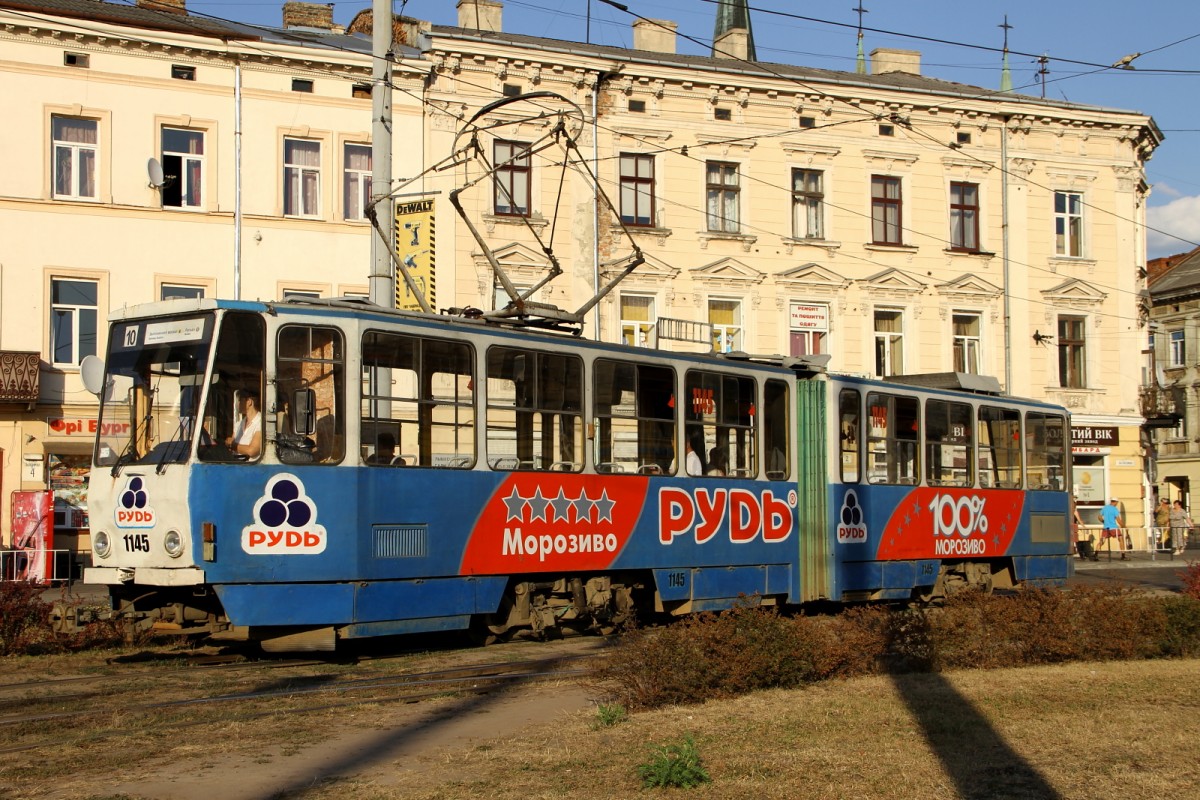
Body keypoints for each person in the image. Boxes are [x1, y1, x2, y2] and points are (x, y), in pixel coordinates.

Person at [225, 388, 262, 459]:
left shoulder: (261, 423)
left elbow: (252, 450)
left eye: (240, 400)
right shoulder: (238, 424)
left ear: (249, 402)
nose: (238, 404)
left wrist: (232, 445)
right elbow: (231, 444)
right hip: (236, 465)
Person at [1072, 495, 1097, 561]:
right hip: (1073, 526)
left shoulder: (1071, 511)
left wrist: (1084, 527)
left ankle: (1075, 552)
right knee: (1074, 540)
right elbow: (1079, 520)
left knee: (1073, 540)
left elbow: (1079, 520)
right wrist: (1084, 527)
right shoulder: (1074, 511)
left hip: (1070, 526)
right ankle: (1076, 552)